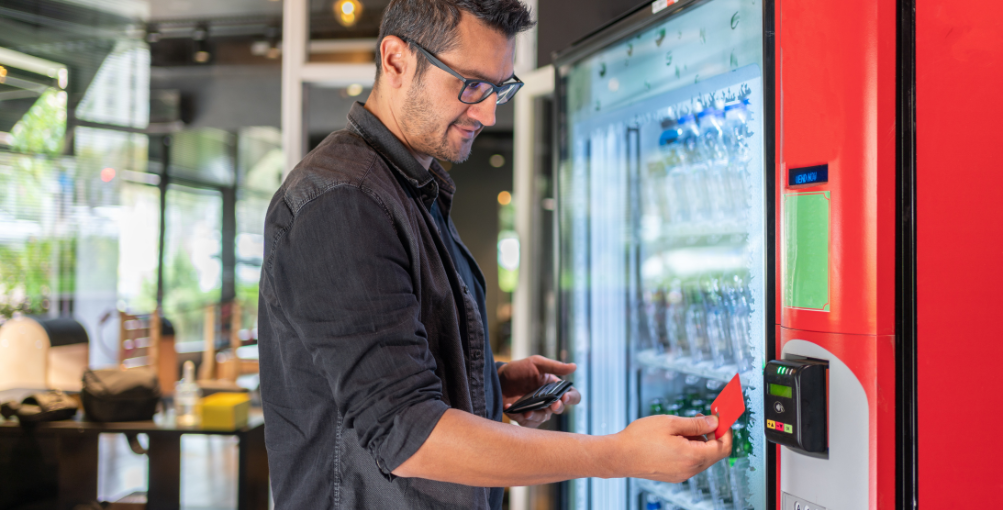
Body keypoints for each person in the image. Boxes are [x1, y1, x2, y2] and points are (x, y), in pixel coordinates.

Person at [257, 0, 732, 508]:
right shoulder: (343, 202)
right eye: (471, 84)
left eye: (500, 88)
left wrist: (485, 384)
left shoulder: (408, 189)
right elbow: (407, 434)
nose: (488, 113)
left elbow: (377, 375)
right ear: (396, 61)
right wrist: (617, 455)